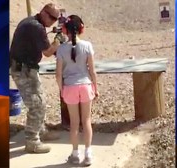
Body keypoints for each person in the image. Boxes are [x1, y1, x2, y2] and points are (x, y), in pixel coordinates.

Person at [10, 3, 62, 154]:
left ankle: (40, 131)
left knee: (41, 100)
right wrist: (58, 40)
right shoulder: (36, 27)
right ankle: (32, 141)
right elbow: (47, 52)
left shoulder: (31, 22)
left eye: (56, 18)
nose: (53, 21)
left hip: (27, 68)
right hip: (23, 70)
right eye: (52, 17)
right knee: (36, 105)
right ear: (43, 13)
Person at [55, 15, 99, 166]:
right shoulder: (87, 45)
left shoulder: (61, 48)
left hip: (69, 87)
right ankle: (88, 154)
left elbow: (58, 73)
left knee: (74, 123)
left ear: (65, 30)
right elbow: (92, 71)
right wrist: (95, 87)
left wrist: (61, 89)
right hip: (86, 86)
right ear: (81, 29)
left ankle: (75, 154)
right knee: (86, 121)